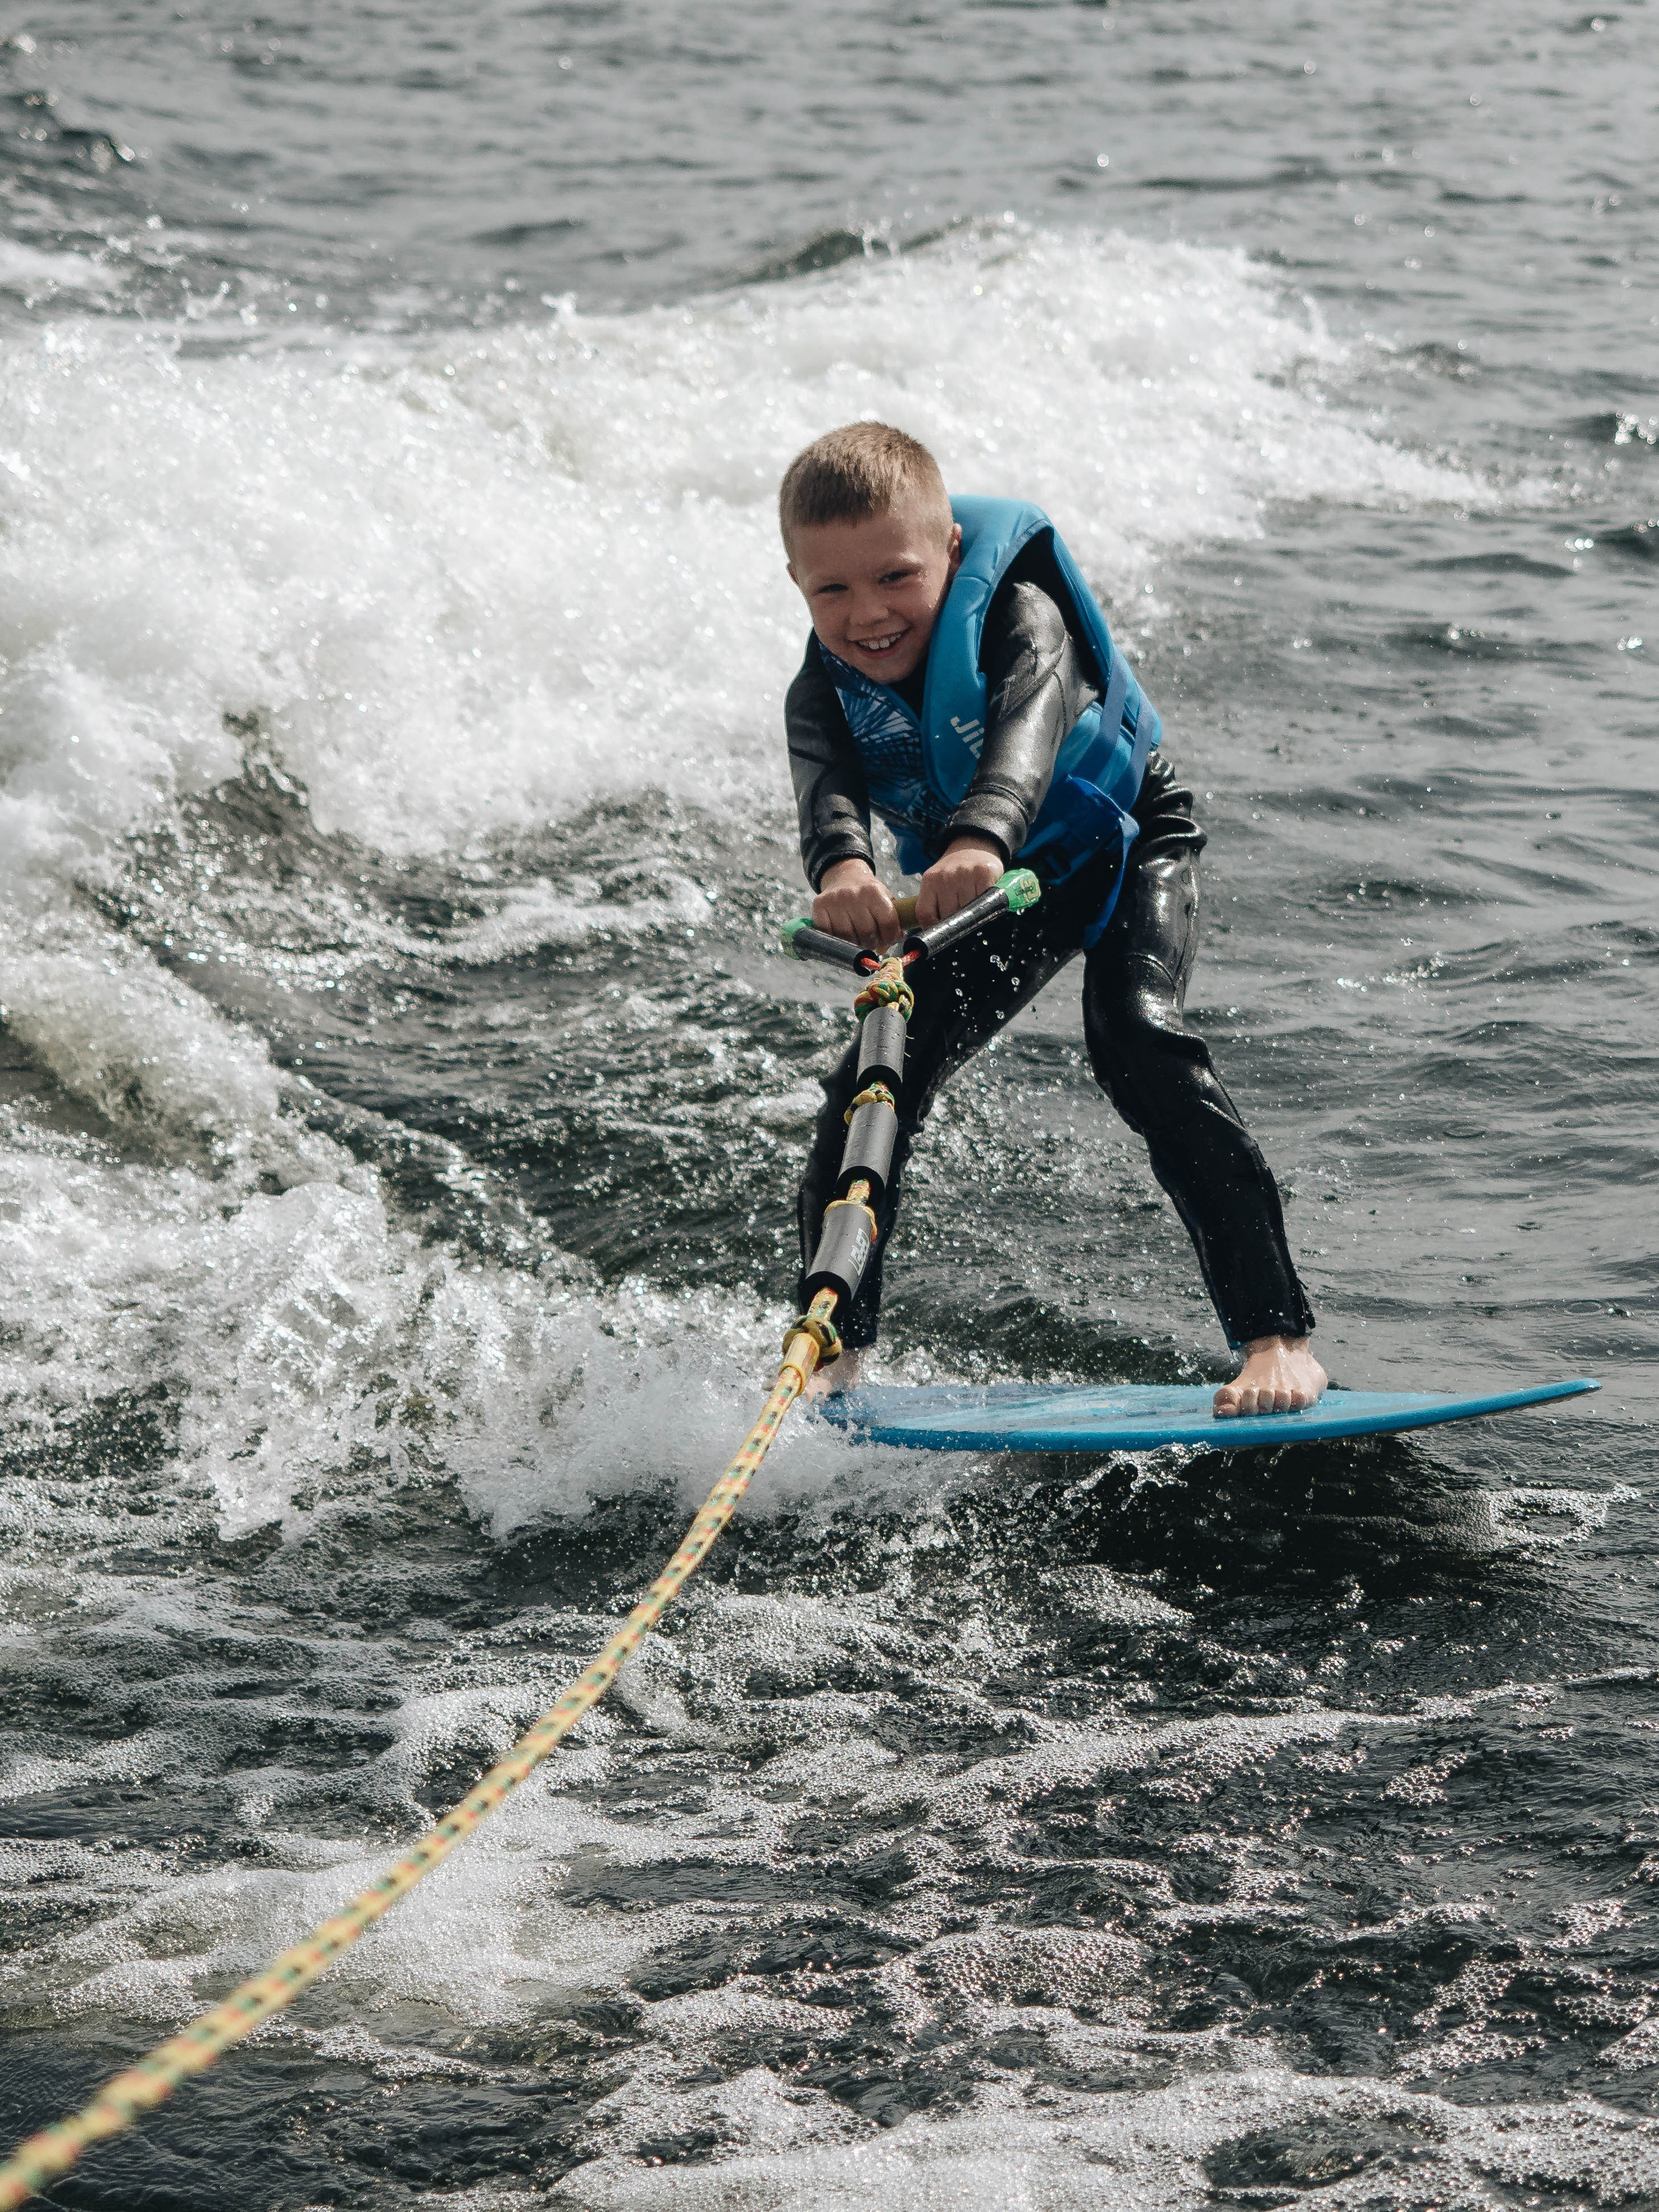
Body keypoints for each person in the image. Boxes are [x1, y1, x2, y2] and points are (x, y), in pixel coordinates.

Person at [780, 421, 1325, 1417]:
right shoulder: (820, 693)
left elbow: (1030, 724)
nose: (868, 613)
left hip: (1125, 833)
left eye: (896, 576)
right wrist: (845, 870)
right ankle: (832, 1351)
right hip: (1000, 884)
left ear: (951, 550)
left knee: (1137, 1038)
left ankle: (1276, 1338)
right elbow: (830, 799)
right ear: (797, 584)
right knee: (871, 1083)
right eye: (834, 590)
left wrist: (979, 835)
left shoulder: (1023, 618)